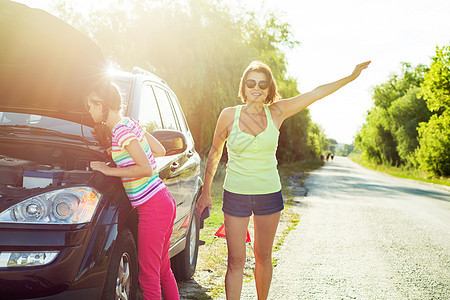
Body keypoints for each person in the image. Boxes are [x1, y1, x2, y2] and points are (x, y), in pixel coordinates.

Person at [196, 60, 370, 299]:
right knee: (235, 261)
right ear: (244, 87)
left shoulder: (277, 112)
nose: (256, 88)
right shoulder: (228, 116)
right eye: (251, 83)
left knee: (263, 256)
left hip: (269, 195)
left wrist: (350, 77)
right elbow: (215, 154)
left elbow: (316, 93)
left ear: (269, 89)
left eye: (262, 84)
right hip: (235, 195)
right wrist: (206, 193)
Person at [85, 81, 180, 300]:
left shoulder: (120, 130)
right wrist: (122, 152)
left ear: (101, 105)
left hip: (153, 208)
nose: (89, 111)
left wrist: (109, 171)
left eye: (91, 105)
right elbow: (159, 149)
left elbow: (146, 168)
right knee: (163, 270)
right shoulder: (129, 124)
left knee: (148, 276)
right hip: (164, 201)